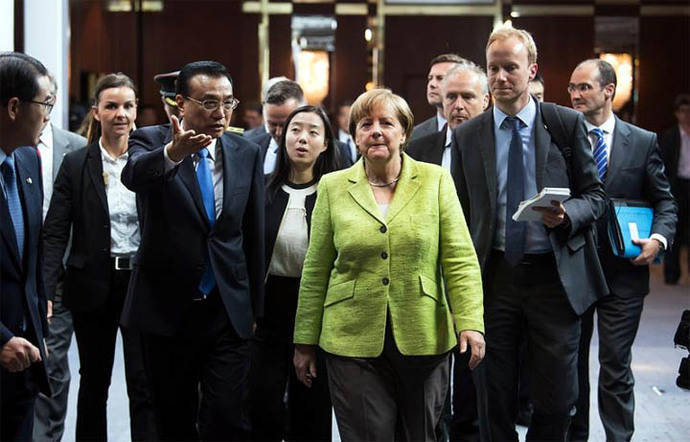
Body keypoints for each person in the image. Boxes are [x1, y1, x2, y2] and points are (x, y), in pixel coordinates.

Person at [293, 88, 485, 442]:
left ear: (404, 132)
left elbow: (459, 257)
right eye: (366, 124)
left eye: (387, 123)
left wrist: (470, 322)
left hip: (425, 334)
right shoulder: (333, 187)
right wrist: (304, 340)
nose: (376, 131)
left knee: (422, 435)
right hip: (351, 340)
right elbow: (316, 268)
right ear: (355, 136)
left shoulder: (435, 180)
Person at [452, 25, 608, 441]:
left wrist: (568, 214)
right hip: (495, 276)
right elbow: (460, 216)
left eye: (510, 68)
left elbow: (595, 196)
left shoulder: (564, 123)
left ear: (531, 69)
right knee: (493, 393)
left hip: (553, 278)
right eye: (493, 69)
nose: (501, 77)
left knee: (557, 398)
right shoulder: (468, 136)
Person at [121, 60, 265, 441]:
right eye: (209, 102)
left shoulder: (244, 150)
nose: (221, 113)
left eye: (228, 102)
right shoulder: (151, 141)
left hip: (226, 309)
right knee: (173, 417)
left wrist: (255, 309)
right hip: (167, 309)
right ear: (180, 104)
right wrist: (173, 153)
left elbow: (253, 235)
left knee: (225, 417)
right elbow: (133, 176)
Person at [42, 73, 155, 441]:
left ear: (136, 111)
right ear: (96, 112)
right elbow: (56, 231)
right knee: (94, 381)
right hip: (92, 283)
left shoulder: (151, 160)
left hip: (140, 283)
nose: (120, 113)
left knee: (143, 381)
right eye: (111, 106)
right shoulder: (76, 164)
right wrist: (45, 291)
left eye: (127, 105)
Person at [568, 59, 676, 442]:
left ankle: (618, 438)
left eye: (584, 87)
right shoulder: (562, 136)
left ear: (608, 91)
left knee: (614, 364)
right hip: (574, 270)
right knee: (571, 365)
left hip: (624, 273)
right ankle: (575, 436)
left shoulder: (643, 141)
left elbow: (665, 201)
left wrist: (659, 239)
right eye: (572, 88)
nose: (576, 95)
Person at [407, 60, 490, 442]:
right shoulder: (420, 146)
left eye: (467, 97)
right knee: (431, 384)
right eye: (450, 96)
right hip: (425, 279)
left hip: (481, 275)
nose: (456, 104)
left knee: (474, 379)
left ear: (485, 101)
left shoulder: (496, 150)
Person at [250, 105, 342, 441]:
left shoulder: (338, 195)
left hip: (318, 312)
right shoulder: (259, 189)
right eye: (295, 130)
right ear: (282, 136)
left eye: (313, 132)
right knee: (263, 405)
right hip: (268, 310)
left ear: (326, 144)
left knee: (312, 409)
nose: (302, 138)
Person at [0, 51, 52, 441]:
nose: (50, 114)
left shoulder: (29, 161)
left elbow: (31, 256)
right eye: (45, 103)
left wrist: (37, 326)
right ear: (15, 107)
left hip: (24, 360)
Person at [32, 73, 87, 442]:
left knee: (53, 365)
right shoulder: (12, 147)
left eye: (52, 99)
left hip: (61, 273)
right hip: (10, 269)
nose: (47, 107)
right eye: (41, 100)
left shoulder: (76, 147)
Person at [249, 80, 353, 174]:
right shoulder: (250, 148)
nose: (278, 132)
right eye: (272, 124)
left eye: (285, 125)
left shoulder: (337, 152)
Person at [661, 93, 690, 285]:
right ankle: (671, 274)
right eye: (683, 111)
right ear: (677, 113)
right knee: (674, 231)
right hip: (676, 186)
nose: (686, 115)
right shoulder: (669, 136)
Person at [410, 53, 466, 141]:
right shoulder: (415, 135)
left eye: (440, 78)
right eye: (430, 78)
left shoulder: (483, 130)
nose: (432, 84)